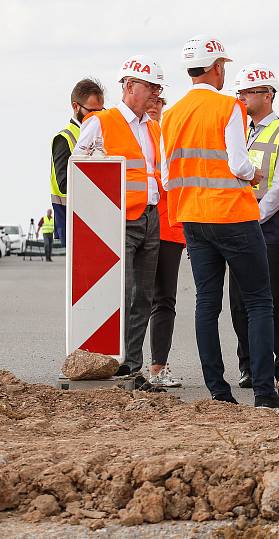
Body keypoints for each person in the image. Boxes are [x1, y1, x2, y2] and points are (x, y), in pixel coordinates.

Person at [161, 35, 279, 408]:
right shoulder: (229, 107)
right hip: (232, 215)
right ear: (217, 67)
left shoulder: (170, 115)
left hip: (191, 219)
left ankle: (218, 392)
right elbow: (237, 163)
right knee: (260, 302)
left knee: (206, 303)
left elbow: (167, 178)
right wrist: (252, 176)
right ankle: (265, 393)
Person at [74, 55, 166, 377]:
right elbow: (80, 170)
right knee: (123, 293)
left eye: (158, 87)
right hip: (120, 221)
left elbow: (156, 174)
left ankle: (132, 365)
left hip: (150, 218)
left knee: (144, 295)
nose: (156, 92)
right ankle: (112, 358)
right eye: (150, 86)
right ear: (129, 86)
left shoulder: (153, 128)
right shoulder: (101, 122)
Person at [230, 64, 279, 388]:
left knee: (273, 295)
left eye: (248, 92)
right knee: (238, 298)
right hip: (241, 224)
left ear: (268, 94)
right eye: (240, 92)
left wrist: (255, 217)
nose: (242, 97)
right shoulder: (241, 133)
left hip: (270, 228)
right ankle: (248, 364)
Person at [146, 97, 183, 388]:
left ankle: (158, 366)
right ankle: (127, 362)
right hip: (139, 225)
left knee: (164, 299)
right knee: (136, 299)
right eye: (150, 100)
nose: (153, 105)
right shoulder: (134, 136)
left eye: (159, 102)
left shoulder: (171, 135)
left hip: (170, 229)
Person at [50, 79, 104, 245]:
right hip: (71, 218)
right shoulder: (64, 138)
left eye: (101, 111)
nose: (97, 116)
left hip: (100, 217)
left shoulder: (103, 132)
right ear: (76, 106)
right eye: (91, 111)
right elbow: (64, 184)